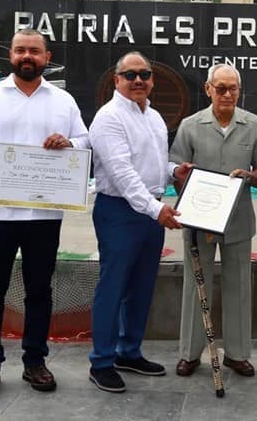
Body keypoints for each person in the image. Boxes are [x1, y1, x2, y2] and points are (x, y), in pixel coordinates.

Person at [0, 28, 90, 398]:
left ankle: (34, 361)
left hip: (44, 214)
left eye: (34, 51)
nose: (27, 56)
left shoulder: (62, 101)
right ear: (10, 55)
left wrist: (70, 142)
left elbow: (86, 139)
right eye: (20, 50)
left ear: (47, 56)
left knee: (40, 290)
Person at [170, 63, 257, 378]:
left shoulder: (254, 125)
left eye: (233, 89)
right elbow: (175, 171)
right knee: (194, 287)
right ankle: (189, 354)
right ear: (208, 89)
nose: (227, 94)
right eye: (221, 88)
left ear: (240, 91)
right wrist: (181, 177)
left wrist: (250, 176)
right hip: (198, 220)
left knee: (239, 286)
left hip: (238, 220)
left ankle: (238, 354)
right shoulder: (190, 125)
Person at [87, 51, 182, 393]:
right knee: (113, 287)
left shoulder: (154, 116)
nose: (138, 80)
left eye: (144, 73)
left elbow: (153, 163)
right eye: (130, 75)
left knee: (142, 286)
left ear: (152, 79)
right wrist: (155, 209)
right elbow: (122, 173)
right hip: (119, 211)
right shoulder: (108, 117)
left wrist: (174, 172)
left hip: (150, 211)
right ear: (116, 80)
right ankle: (101, 361)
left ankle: (129, 351)